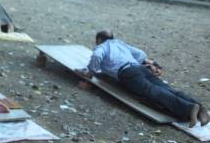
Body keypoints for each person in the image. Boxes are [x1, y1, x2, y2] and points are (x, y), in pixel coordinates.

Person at [75, 30, 209, 128]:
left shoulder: (102, 46)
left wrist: (90, 72)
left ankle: (189, 108)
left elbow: (97, 56)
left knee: (154, 92)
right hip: (140, 68)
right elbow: (140, 54)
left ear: (98, 39)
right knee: (166, 88)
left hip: (128, 73)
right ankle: (200, 108)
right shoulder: (119, 43)